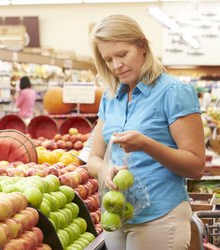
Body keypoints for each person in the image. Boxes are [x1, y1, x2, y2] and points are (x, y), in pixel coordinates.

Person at [86, 14, 205, 250]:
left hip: (161, 216)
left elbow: (196, 166)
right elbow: (93, 158)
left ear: (142, 46)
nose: (116, 65)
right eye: (108, 59)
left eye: (122, 54)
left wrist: (146, 144)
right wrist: (106, 170)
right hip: (117, 214)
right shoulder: (110, 97)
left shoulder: (174, 92)